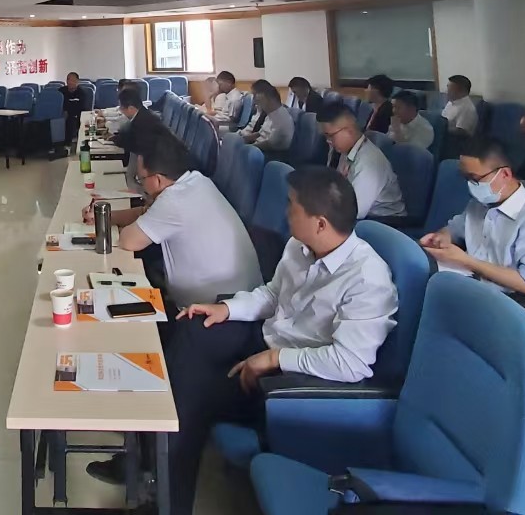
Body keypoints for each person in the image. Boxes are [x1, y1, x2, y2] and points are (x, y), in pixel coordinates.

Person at [147, 166, 397, 515]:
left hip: (294, 377)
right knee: (191, 326)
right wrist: (227, 308)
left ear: (320, 223)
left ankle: (165, 500)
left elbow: (351, 363)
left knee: (190, 397)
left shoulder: (367, 279)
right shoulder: (299, 246)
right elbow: (273, 294)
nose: (285, 211)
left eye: (292, 205)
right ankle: (150, 458)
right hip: (266, 337)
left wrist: (276, 358)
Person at [84, 132, 261, 308]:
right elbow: (148, 214)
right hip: (237, 298)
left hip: (218, 309)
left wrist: (122, 218)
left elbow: (128, 241)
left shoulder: (174, 200)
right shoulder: (196, 181)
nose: (140, 184)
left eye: (141, 178)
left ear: (157, 180)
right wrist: (107, 216)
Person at [420, 136, 525, 297]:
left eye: (475, 179)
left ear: (505, 174)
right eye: (466, 178)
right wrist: (441, 237)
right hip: (465, 282)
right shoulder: (479, 204)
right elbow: (455, 229)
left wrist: (467, 261)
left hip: (499, 300)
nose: (470, 185)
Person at [318, 103, 405, 219]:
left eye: (330, 135)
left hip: (383, 222)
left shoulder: (368, 162)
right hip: (361, 215)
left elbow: (354, 212)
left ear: (349, 131)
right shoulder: (346, 151)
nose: (327, 141)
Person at [240, 80, 294, 155]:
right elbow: (261, 133)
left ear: (267, 97)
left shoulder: (281, 118)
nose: (254, 100)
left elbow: (270, 144)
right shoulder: (271, 114)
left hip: (271, 155)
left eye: (255, 95)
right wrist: (241, 139)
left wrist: (247, 147)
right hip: (259, 150)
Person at [60, 71, 84, 149]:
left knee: (71, 120)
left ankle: (67, 145)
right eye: (68, 80)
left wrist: (68, 112)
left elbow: (81, 108)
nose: (70, 82)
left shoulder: (81, 93)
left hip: (75, 115)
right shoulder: (61, 91)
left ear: (77, 82)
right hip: (61, 114)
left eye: (73, 80)